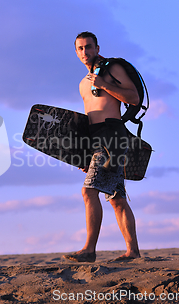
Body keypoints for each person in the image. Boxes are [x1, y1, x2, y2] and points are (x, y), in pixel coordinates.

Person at [63, 31, 141, 262]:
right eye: (80, 48)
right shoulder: (82, 84)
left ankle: (89, 250)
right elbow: (90, 119)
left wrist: (105, 84)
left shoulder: (111, 70)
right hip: (97, 141)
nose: (85, 52)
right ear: (76, 52)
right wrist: (85, 156)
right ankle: (133, 252)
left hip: (113, 137)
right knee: (116, 198)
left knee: (88, 192)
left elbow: (133, 98)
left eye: (88, 47)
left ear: (97, 48)